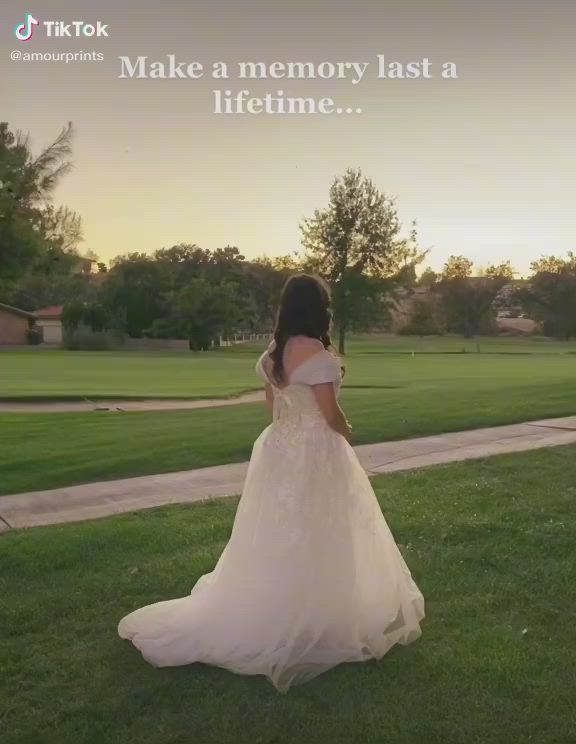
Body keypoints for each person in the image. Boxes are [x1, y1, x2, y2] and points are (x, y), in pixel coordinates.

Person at [118, 273, 424, 693]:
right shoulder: (316, 352)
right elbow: (330, 412)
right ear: (320, 309)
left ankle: (289, 606)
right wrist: (347, 430)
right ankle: (314, 612)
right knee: (322, 526)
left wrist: (290, 434)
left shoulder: (274, 353)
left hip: (280, 446)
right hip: (317, 448)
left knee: (279, 528)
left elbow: (272, 405)